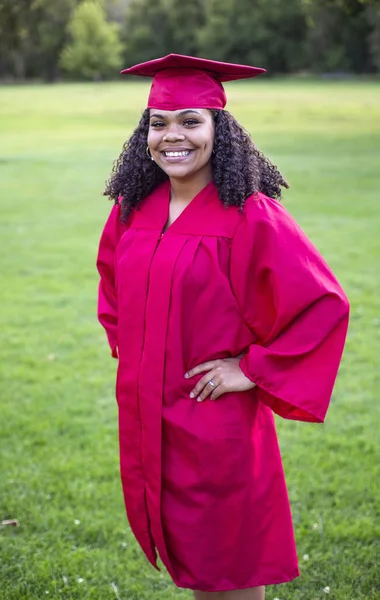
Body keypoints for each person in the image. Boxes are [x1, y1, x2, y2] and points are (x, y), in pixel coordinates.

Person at [96, 54, 349, 600]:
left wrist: (251, 369)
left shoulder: (250, 215)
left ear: (220, 129)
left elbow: (322, 304)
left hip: (214, 425)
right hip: (148, 417)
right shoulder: (132, 209)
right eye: (158, 123)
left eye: (191, 120)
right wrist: (141, 355)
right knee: (192, 562)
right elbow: (112, 289)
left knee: (227, 566)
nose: (172, 136)